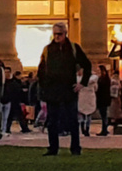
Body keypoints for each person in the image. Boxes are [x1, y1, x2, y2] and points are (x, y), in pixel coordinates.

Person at [38, 23, 92, 156]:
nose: (57, 37)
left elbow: (87, 65)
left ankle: (75, 147)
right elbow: (41, 70)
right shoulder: (48, 49)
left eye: (60, 34)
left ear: (65, 34)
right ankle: (53, 147)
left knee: (72, 120)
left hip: (69, 89)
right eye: (55, 34)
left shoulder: (73, 48)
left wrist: (82, 83)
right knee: (52, 121)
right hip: (53, 89)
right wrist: (44, 86)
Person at [93, 63, 116, 136]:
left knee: (104, 115)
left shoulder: (103, 79)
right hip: (103, 99)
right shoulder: (105, 79)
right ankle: (104, 129)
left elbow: (100, 89)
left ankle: (104, 129)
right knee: (104, 115)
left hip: (102, 99)